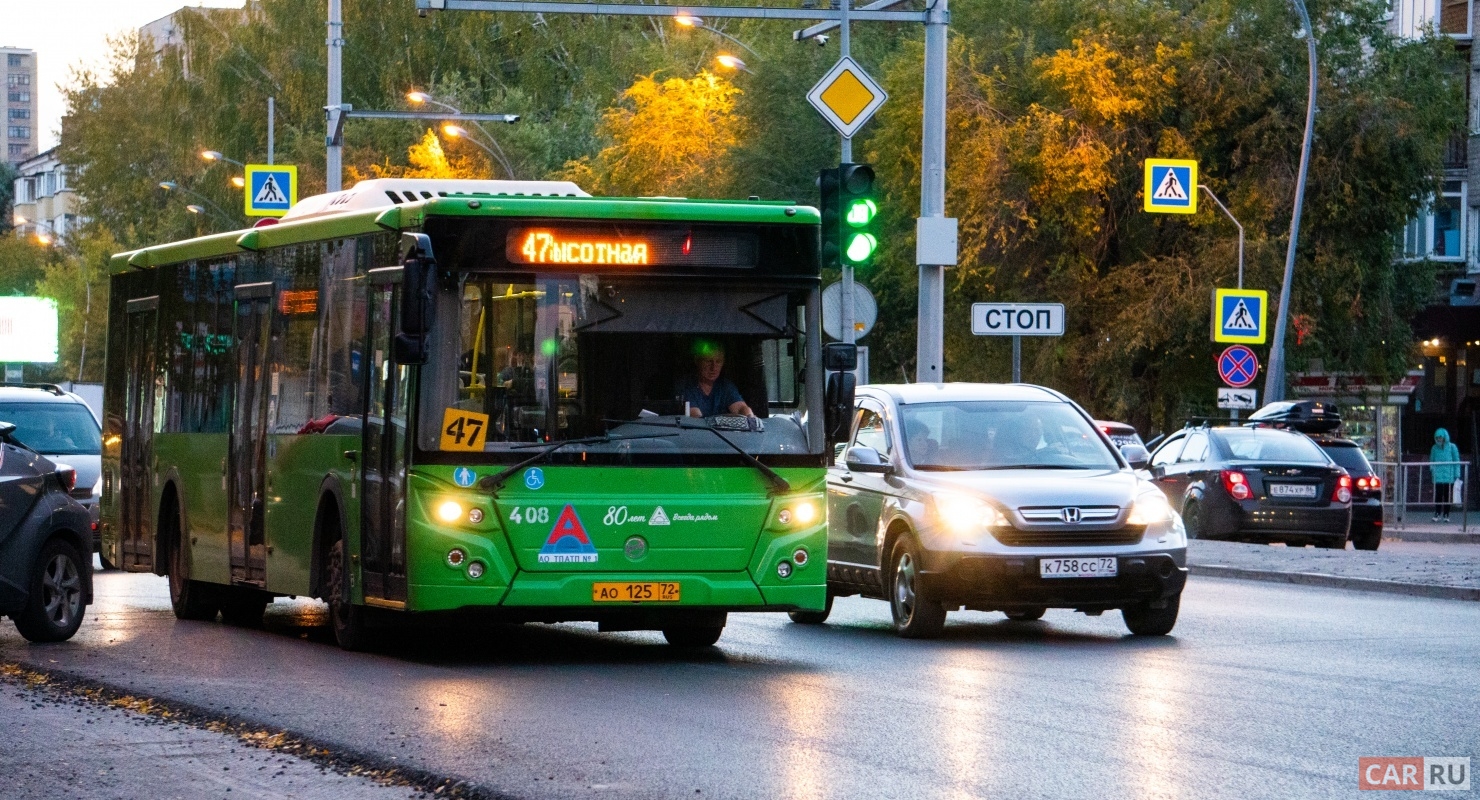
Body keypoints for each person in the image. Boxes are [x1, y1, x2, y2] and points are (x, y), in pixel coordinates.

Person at [681, 341, 753, 418]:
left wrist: (749, 417)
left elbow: (741, 409)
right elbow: (695, 417)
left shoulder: (725, 386)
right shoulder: (685, 385)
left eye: (718, 362)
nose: (714, 367)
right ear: (697, 361)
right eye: (708, 361)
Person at [1430, 428, 1462, 523]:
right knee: (1438, 495)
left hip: (1449, 476)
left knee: (1448, 496)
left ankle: (1446, 514)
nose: (1439, 439)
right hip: (1438, 476)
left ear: (1444, 437)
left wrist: (1457, 474)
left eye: (1440, 437)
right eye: (1437, 437)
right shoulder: (1434, 448)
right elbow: (1431, 460)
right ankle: (1437, 513)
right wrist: (1432, 470)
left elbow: (1457, 461)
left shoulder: (1452, 447)